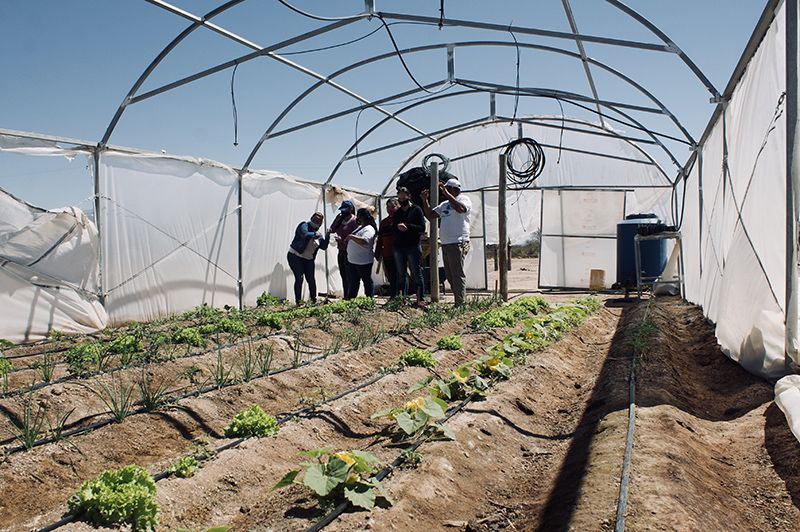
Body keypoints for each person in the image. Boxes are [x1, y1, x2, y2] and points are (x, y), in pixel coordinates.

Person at [420, 177, 472, 306]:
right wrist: (425, 200)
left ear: (455, 190)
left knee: (457, 274)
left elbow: (460, 209)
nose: (445, 191)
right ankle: (459, 300)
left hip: (458, 241)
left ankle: (460, 303)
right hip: (447, 243)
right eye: (445, 189)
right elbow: (431, 215)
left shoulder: (463, 199)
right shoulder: (444, 205)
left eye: (448, 189)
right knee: (450, 275)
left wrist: (447, 194)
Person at [392, 186, 426, 306]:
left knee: (416, 272)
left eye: (404, 195)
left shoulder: (417, 210)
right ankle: (402, 298)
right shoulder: (398, 212)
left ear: (409, 196)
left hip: (413, 246)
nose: (401, 198)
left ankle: (420, 298)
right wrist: (397, 228)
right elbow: (393, 228)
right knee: (401, 274)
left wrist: (408, 226)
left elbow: (422, 227)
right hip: (399, 247)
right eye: (400, 196)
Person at [287, 212, 329, 305]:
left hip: (308, 259)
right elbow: (305, 235)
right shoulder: (303, 225)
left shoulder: (319, 235)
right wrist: (315, 234)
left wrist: (328, 236)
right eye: (314, 220)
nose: (316, 222)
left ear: (321, 223)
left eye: (318, 221)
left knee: (311, 279)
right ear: (311, 219)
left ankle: (313, 300)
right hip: (295, 256)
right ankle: (299, 302)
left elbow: (323, 246)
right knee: (299, 278)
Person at [345, 208, 378, 299]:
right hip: (353, 261)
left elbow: (365, 241)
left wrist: (351, 237)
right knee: (353, 282)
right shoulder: (360, 228)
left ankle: (369, 299)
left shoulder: (369, 229)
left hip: (363, 261)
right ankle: (351, 300)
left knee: (366, 281)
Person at [328, 199, 357, 298]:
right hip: (341, 251)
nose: (343, 212)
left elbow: (356, 237)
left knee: (350, 275)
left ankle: (351, 296)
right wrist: (336, 219)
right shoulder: (341, 220)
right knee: (343, 275)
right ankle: (346, 295)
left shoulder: (354, 221)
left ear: (350, 209)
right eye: (342, 210)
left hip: (351, 251)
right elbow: (331, 230)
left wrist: (343, 240)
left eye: (345, 210)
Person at [375, 198, 399, 296]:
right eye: (388, 207)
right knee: (390, 276)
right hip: (387, 253)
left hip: (399, 253)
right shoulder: (384, 222)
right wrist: (377, 252)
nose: (390, 209)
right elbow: (380, 239)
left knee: (400, 276)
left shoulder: (401, 219)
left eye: (392, 207)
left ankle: (402, 297)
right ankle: (393, 297)